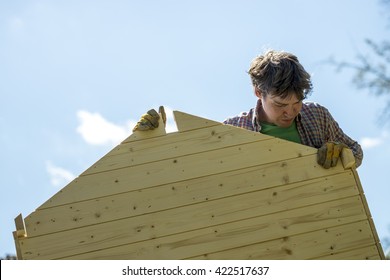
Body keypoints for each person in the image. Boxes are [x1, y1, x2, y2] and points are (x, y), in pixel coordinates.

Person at [133, 49, 363, 169]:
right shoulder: (233, 129)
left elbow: (356, 151)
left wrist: (342, 152)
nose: (290, 112)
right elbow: (187, 165)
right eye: (280, 104)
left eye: (296, 103)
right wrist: (152, 140)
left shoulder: (317, 115)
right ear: (258, 93)